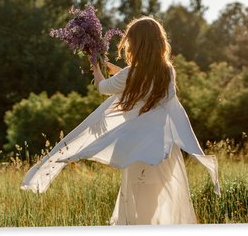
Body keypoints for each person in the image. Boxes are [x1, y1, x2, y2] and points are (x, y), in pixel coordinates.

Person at [21, 17, 220, 225]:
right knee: (156, 205)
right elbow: (143, 84)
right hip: (163, 152)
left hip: (138, 153)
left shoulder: (129, 75)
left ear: (135, 44)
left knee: (137, 207)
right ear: (158, 42)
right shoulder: (167, 71)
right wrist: (117, 71)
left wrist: (95, 67)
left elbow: (103, 87)